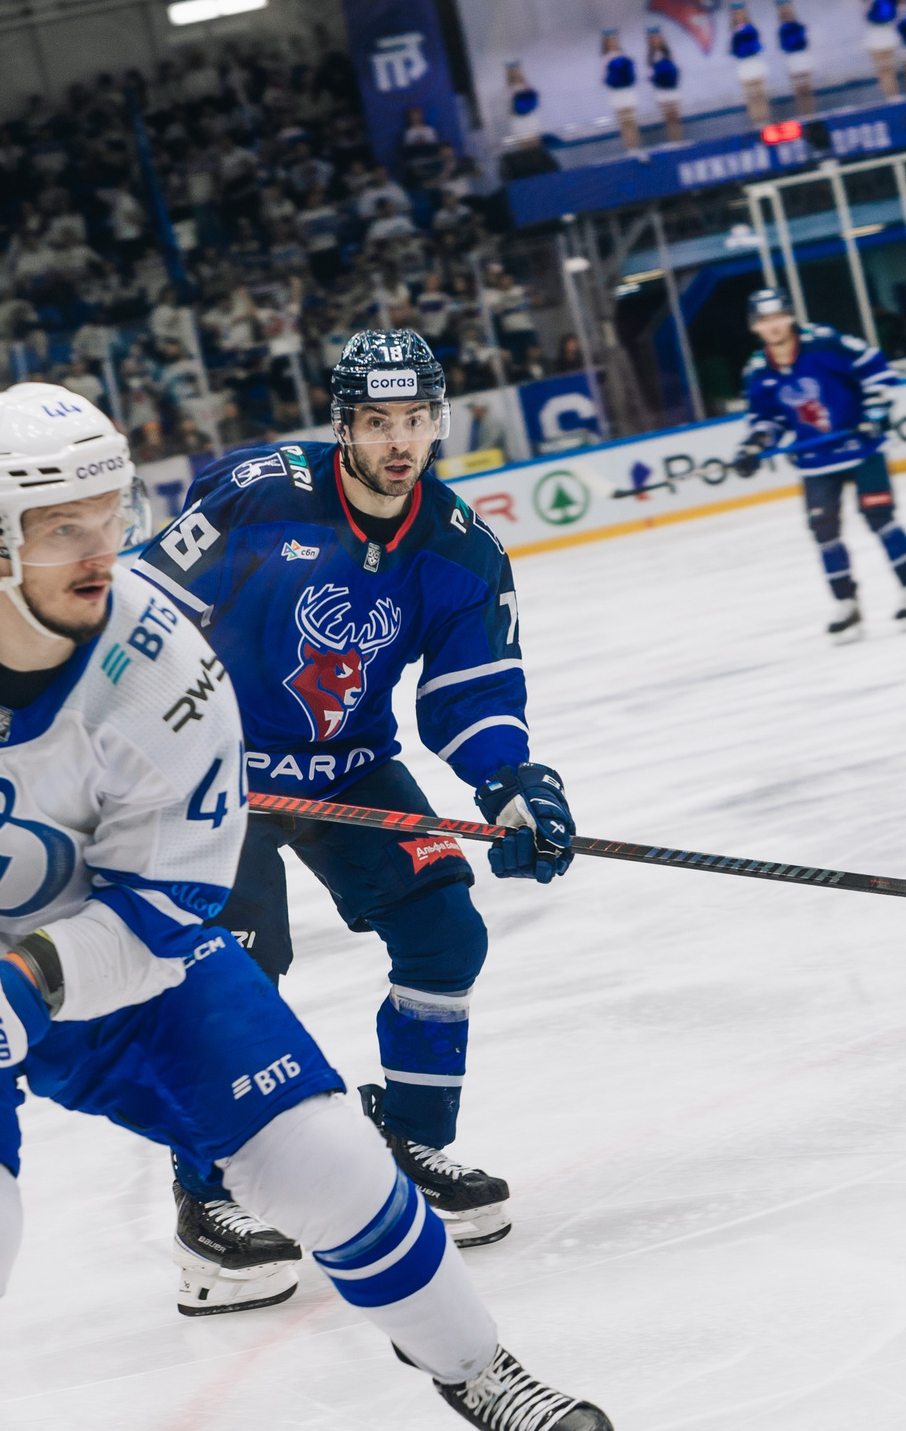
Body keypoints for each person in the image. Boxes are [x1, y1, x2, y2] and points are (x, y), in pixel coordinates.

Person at [0, 382, 609, 1431]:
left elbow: (172, 903)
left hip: (108, 953)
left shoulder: (167, 672)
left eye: (111, 516)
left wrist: (29, 979)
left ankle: (480, 1371)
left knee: (327, 1155)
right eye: (65, 529)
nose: (103, 551)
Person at [130, 330, 577, 1313]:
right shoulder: (258, 495)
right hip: (217, 768)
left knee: (442, 929)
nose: (399, 440)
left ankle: (406, 1138)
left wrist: (511, 783)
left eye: (415, 419)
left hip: (348, 766)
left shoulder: (457, 546)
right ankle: (210, 1195)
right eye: (377, 422)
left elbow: (471, 689)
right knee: (236, 966)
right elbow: (138, 609)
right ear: (345, 425)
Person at [730, 289, 906, 642]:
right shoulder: (757, 371)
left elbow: (876, 368)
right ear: (754, 327)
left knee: (879, 518)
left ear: (790, 317)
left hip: (862, 447)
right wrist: (753, 446)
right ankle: (846, 605)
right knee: (824, 532)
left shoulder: (825, 343)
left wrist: (875, 414)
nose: (772, 326)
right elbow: (767, 420)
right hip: (816, 460)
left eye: (777, 317)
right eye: (764, 321)